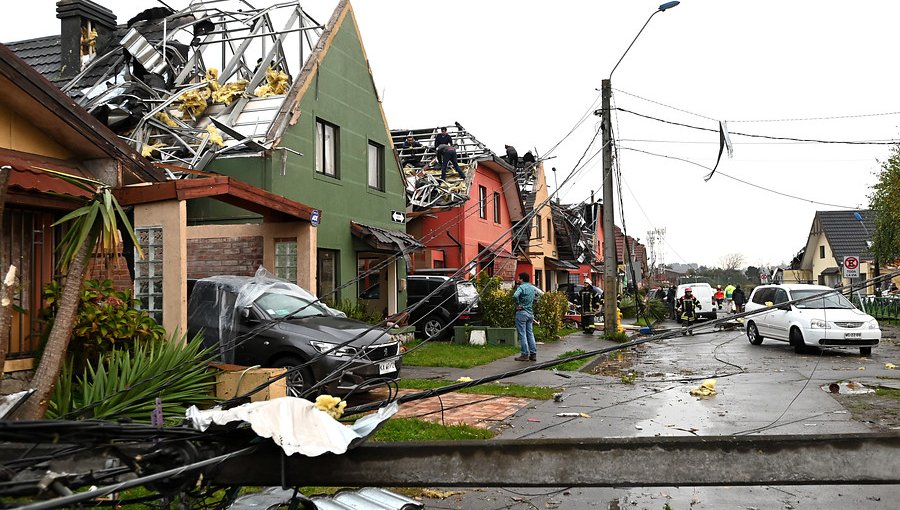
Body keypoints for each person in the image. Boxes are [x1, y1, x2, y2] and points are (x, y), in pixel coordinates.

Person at [513, 272, 538, 361]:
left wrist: (518, 303)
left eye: (519, 278)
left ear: (522, 279)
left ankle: (524, 354)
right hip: (530, 313)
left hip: (522, 312)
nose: (518, 280)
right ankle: (533, 354)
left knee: (522, 334)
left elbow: (515, 295)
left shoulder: (521, 287)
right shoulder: (532, 287)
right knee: (530, 333)